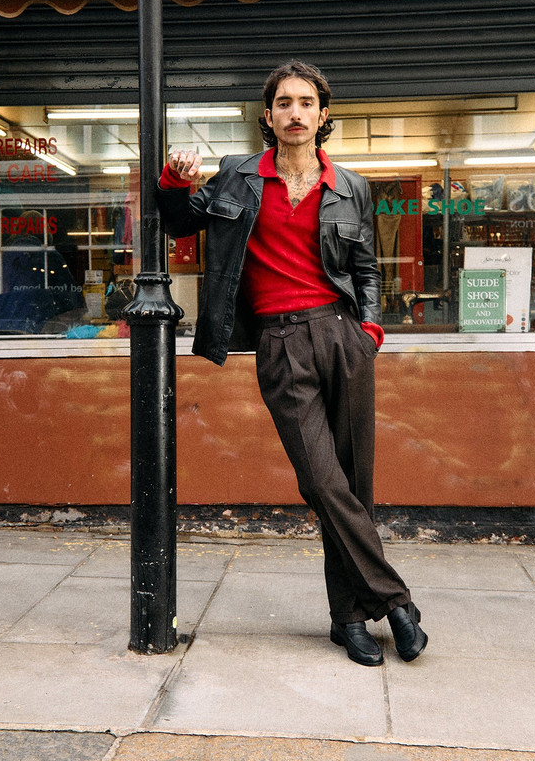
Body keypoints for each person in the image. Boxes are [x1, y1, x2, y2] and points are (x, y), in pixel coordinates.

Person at [156, 60, 426, 667]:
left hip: (343, 336)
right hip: (280, 343)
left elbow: (366, 269)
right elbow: (178, 220)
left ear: (323, 115)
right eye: (284, 103)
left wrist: (371, 329)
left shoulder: (351, 185)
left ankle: (350, 619)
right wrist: (175, 181)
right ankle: (397, 602)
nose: (296, 113)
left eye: (307, 102)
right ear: (269, 115)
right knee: (323, 481)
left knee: (354, 486)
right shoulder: (237, 177)